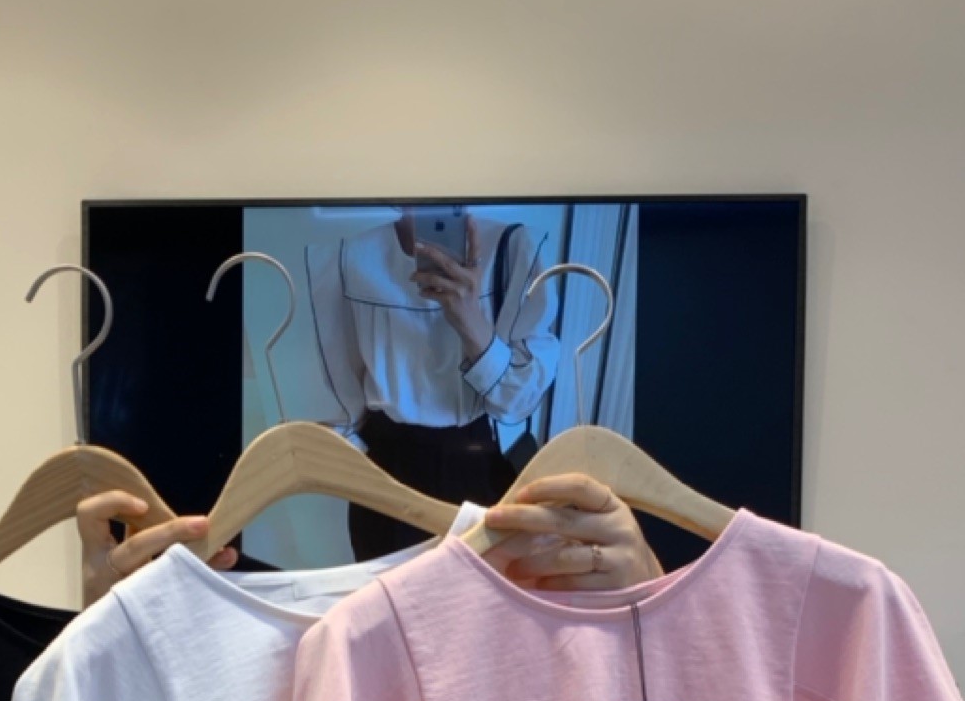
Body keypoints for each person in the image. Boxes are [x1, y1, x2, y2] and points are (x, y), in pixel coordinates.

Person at [305, 210, 563, 558]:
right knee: (393, 589)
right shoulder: (348, 259)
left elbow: (516, 402)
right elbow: (343, 397)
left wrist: (469, 317)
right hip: (387, 464)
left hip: (478, 462)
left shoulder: (514, 249)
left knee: (476, 588)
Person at [74, 470, 658, 604]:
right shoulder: (350, 261)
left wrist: (650, 597)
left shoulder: (551, 568)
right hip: (384, 454)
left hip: (475, 467)